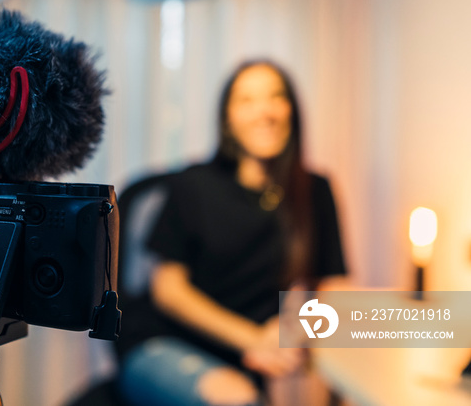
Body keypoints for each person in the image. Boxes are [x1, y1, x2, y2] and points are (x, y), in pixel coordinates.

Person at [117, 60, 347, 406]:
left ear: (291, 111)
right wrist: (253, 338)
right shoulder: (191, 186)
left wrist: (297, 332)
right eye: (246, 100)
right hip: (161, 345)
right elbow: (168, 289)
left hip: (246, 358)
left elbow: (330, 285)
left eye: (276, 97)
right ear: (227, 118)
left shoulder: (314, 191)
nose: (264, 111)